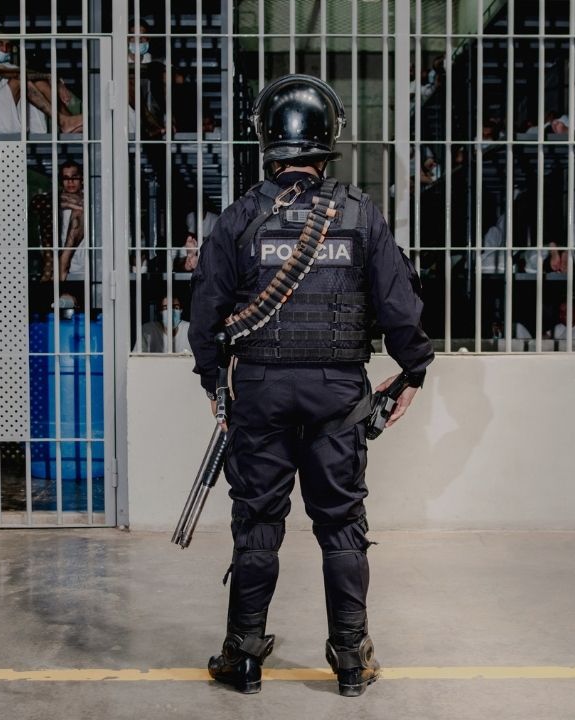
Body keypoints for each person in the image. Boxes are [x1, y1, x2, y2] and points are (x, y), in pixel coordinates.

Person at [189, 74, 434, 697]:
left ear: (267, 140)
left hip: (260, 392)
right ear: (328, 140)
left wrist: (217, 385)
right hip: (336, 393)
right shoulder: (359, 214)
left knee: (257, 524)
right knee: (342, 524)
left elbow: (205, 316)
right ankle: (350, 657)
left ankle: (244, 656)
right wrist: (413, 371)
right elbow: (400, 307)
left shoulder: (241, 217)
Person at [0, 39, 83, 137]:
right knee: (20, 80)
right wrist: (51, 77)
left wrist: (53, 81)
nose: (4, 49)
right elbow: (13, 73)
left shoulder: (6, 65)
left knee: (38, 82)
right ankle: (63, 121)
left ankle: (70, 122)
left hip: (1, 117)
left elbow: (28, 74)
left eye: (8, 45)